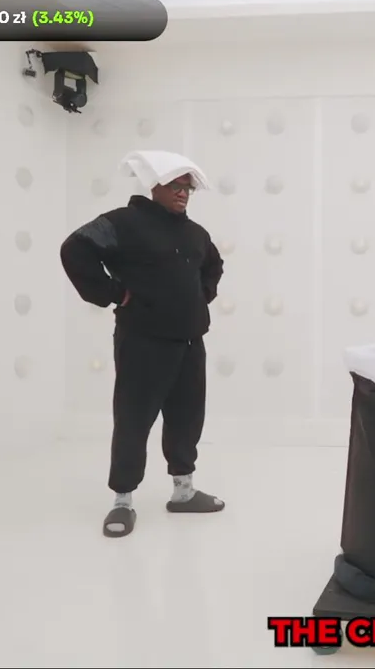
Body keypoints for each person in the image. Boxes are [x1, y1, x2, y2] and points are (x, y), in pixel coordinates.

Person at [59, 151, 226, 539]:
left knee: (187, 417)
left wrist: (201, 296)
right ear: (154, 185)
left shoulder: (195, 233)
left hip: (190, 341)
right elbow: (74, 249)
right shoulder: (123, 223)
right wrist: (114, 293)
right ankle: (123, 501)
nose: (183, 193)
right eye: (175, 186)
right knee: (134, 419)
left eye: (188, 188)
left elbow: (214, 265)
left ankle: (183, 492)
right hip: (142, 342)